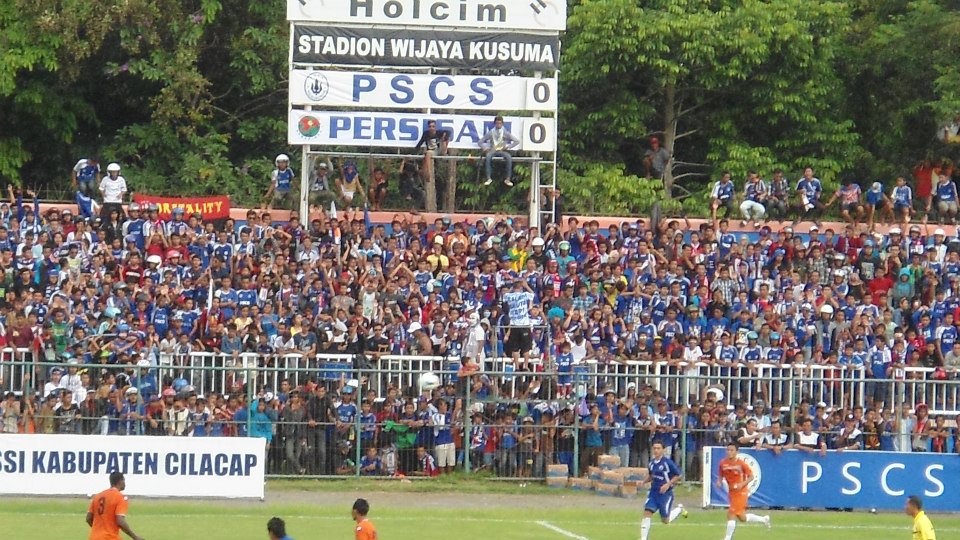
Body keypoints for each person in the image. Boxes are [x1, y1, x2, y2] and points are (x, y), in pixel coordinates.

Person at [716, 442, 770, 540]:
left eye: (732, 450)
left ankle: (727, 538)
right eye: (728, 450)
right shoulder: (723, 463)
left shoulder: (741, 464)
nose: (729, 452)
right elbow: (721, 474)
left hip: (741, 492)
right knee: (742, 517)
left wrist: (742, 484)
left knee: (731, 513)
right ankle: (764, 519)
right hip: (732, 492)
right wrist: (719, 481)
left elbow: (751, 476)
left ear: (737, 452)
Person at [639, 440, 688, 540]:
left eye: (658, 448)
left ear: (663, 450)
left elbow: (679, 475)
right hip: (653, 493)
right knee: (647, 512)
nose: (656, 450)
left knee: (665, 520)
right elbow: (651, 476)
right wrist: (643, 482)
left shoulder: (667, 463)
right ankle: (643, 538)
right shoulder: (651, 463)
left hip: (665, 495)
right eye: (654, 448)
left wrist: (667, 484)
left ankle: (679, 509)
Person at [86, 472, 144, 540]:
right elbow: (120, 521)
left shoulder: (97, 496)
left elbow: (88, 518)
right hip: (110, 537)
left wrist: (98, 530)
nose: (125, 483)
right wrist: (135, 537)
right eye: (124, 480)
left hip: (94, 537)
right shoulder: (120, 497)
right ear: (120, 481)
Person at [479, 115, 520, 187]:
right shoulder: (491, 132)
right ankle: (488, 178)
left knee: (509, 157)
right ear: (495, 124)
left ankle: (508, 179)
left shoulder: (505, 132)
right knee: (488, 157)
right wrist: (485, 148)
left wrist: (508, 147)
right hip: (493, 150)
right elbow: (480, 142)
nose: (498, 125)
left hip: (502, 151)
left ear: (502, 124)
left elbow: (517, 141)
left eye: (500, 123)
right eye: (497, 123)